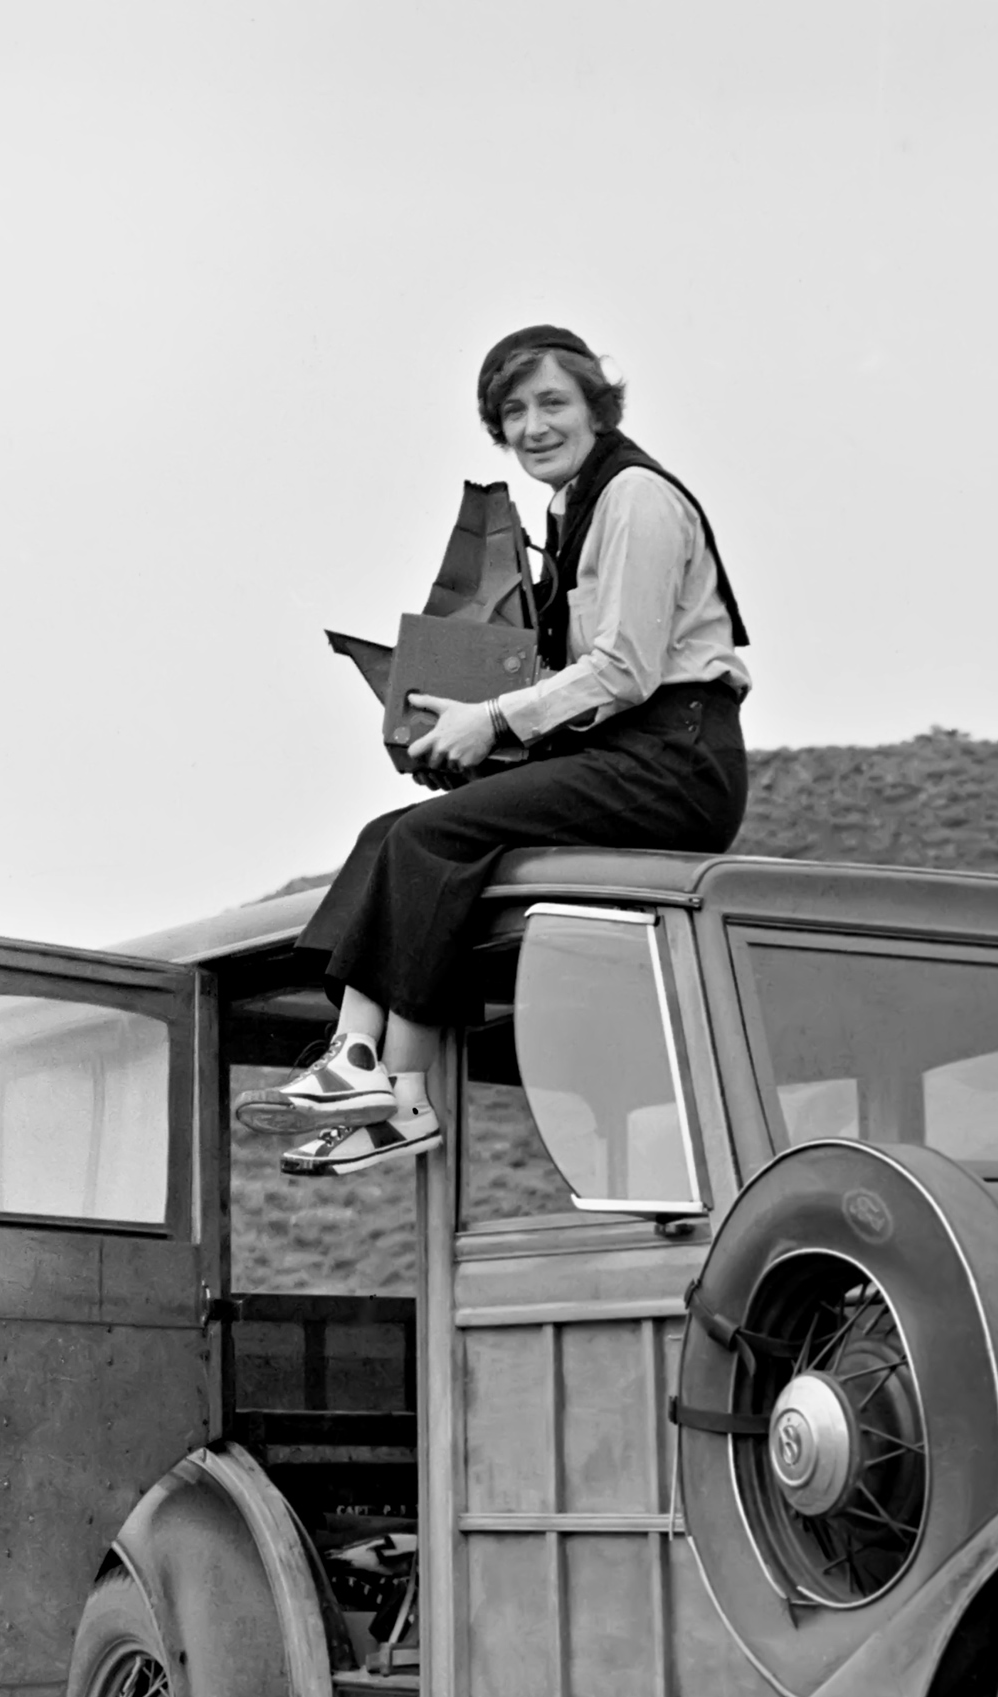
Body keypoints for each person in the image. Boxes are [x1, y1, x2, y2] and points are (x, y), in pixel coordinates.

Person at [268, 324, 752, 1176]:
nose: (533, 426)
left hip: (675, 757)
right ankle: (386, 1086)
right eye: (513, 411)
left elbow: (625, 670)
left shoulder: (635, 497)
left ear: (597, 408)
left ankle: (367, 1072)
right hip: (623, 747)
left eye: (553, 403)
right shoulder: (572, 506)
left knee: (430, 838)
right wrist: (460, 723)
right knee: (393, 833)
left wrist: (490, 720)